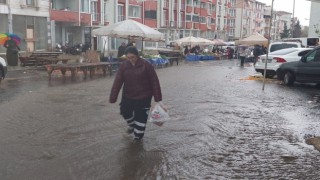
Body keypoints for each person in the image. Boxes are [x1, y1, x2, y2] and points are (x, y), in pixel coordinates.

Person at [109, 46, 162, 141]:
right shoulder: (124, 66)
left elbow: (154, 82)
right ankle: (133, 125)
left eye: (132, 57)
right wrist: (113, 97)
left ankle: (137, 140)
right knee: (125, 112)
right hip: (128, 96)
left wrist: (158, 99)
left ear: (137, 56)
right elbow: (117, 82)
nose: (131, 60)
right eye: (128, 57)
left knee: (141, 119)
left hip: (144, 97)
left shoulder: (146, 65)